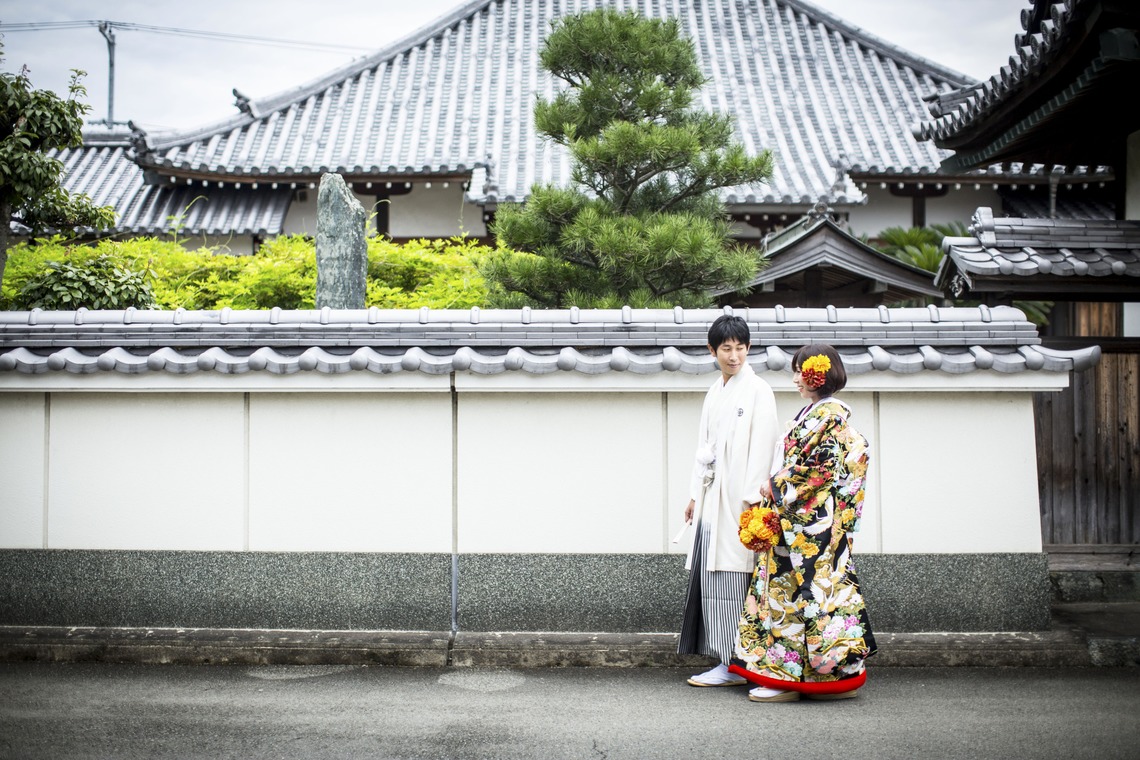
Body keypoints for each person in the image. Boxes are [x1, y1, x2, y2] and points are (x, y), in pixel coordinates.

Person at [730, 343, 877, 702]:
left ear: (818, 374)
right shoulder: (816, 415)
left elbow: (820, 470)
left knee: (797, 599)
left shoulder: (827, 418)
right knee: (807, 600)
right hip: (807, 525)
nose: (796, 378)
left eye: (800, 371)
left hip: (808, 530)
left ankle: (789, 679)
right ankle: (820, 679)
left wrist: (776, 484)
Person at [678, 315, 780, 687]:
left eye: (740, 348)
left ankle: (742, 662)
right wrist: (694, 493)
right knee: (713, 577)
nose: (734, 356)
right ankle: (728, 660)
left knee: (736, 578)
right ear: (712, 351)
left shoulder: (758, 390)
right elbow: (703, 448)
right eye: (726, 349)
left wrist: (752, 502)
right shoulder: (714, 391)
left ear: (748, 349)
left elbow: (764, 448)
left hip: (740, 503)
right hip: (711, 499)